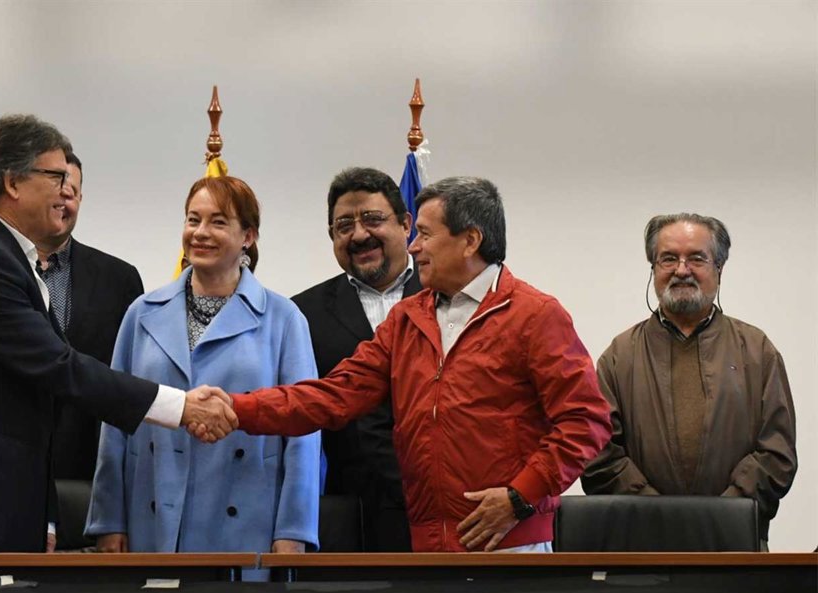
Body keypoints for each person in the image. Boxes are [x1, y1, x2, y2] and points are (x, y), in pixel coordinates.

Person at [0, 114, 235, 553]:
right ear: (12, 183)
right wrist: (181, 406)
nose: (67, 190)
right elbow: (59, 367)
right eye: (56, 177)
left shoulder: (4, 254)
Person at [205, 176, 611, 552]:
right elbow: (335, 395)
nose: (414, 246)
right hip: (426, 546)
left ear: (470, 240)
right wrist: (236, 408)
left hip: (508, 541)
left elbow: (586, 421)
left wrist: (520, 497)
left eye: (426, 235)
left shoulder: (534, 316)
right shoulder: (407, 319)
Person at [85, 176, 321, 557]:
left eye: (218, 222)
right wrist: (108, 520)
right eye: (193, 219)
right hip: (151, 516)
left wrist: (294, 529)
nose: (200, 232)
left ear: (248, 236)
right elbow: (115, 420)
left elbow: (304, 430)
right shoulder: (141, 314)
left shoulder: (284, 318)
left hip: (250, 522)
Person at [581, 213, 796, 548]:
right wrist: (659, 516)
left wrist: (722, 515)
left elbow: (777, 453)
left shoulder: (757, 351)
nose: (682, 270)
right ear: (653, 269)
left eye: (697, 258)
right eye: (669, 259)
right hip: (643, 548)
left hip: (736, 548)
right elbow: (598, 456)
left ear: (719, 269)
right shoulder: (619, 357)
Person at [291, 167, 421, 551]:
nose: (360, 234)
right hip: (347, 522)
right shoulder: (302, 314)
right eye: (344, 225)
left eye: (373, 219)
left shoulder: (447, 297)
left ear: (406, 224)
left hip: (447, 513)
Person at [41, 152, 145, 482]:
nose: (62, 200)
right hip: (3, 467)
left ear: (81, 199)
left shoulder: (120, 280)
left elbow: (130, 377)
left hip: (91, 471)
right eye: (54, 189)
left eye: (70, 192)